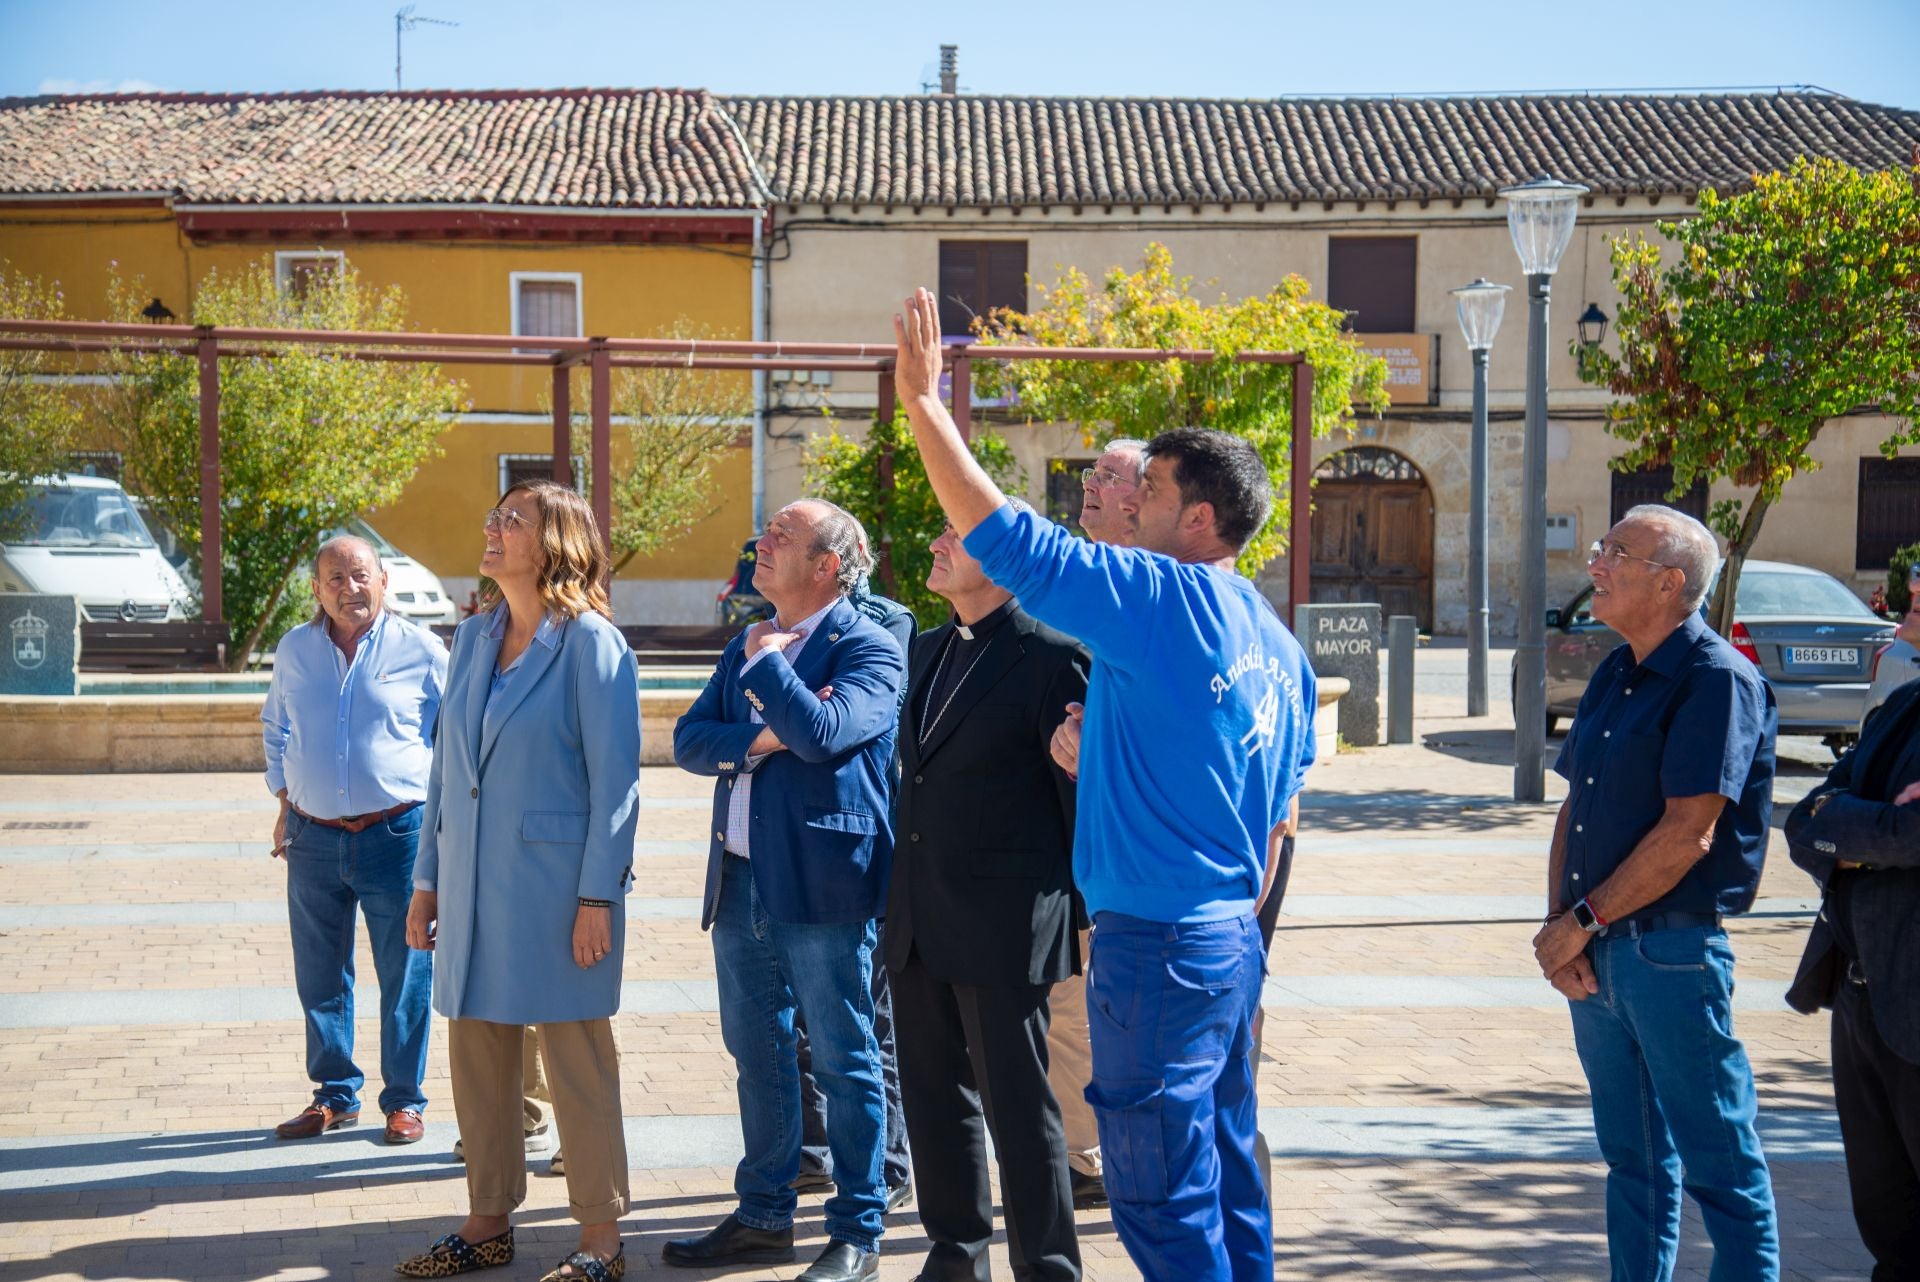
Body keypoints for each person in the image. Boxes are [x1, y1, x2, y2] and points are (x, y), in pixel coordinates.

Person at [893, 288, 1316, 1282]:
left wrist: (924, 403)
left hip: (1160, 946)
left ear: (1197, 516)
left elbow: (1015, 548)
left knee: (1159, 1195)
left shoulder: (1165, 597)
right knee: (1227, 1169)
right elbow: (1269, 803)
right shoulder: (1273, 637)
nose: (1124, 502)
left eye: (1148, 493)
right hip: (1226, 937)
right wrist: (1120, 750)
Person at [1529, 504, 1780, 1282]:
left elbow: (1687, 835)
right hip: (1596, 957)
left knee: (1721, 1170)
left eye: (1616, 553)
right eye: (1601, 547)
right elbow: (1577, 805)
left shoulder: (1716, 680)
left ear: (1670, 584)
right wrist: (1559, 929)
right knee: (1632, 1167)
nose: (1595, 564)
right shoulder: (1616, 668)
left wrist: (1582, 921)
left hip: (1670, 955)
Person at [398, 480, 641, 1282]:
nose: (492, 527)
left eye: (513, 520)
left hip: (559, 893)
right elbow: (443, 776)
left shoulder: (592, 644)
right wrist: (427, 882)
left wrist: (598, 897)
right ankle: (486, 1223)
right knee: (478, 1057)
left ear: (553, 544)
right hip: (468, 889)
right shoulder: (471, 640)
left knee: (576, 1067)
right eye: (493, 514)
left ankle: (601, 1241)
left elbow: (617, 786)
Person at [669, 499, 905, 1282]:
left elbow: (825, 735)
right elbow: (692, 741)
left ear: (827, 565)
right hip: (739, 879)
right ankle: (765, 1214)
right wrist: (763, 738)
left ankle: (857, 1230)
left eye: (781, 537)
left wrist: (768, 666)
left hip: (824, 885)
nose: (761, 544)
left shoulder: (868, 646)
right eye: (765, 531)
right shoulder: (751, 640)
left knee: (844, 1059)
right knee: (757, 1052)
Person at [889, 498, 1089, 1282]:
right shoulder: (929, 648)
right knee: (935, 1105)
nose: (936, 543)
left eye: (955, 535)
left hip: (1006, 926)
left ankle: (1047, 1267)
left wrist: (1072, 918)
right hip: (917, 920)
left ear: (1004, 560)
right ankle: (954, 1258)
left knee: (1020, 1111)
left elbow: (1072, 798)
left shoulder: (1053, 656)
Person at [262, 535, 445, 1146]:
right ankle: (334, 1096)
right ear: (316, 590)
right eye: (335, 578)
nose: (349, 588)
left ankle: (404, 1100)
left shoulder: (421, 649)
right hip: (312, 839)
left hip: (396, 836)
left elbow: (456, 741)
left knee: (406, 973)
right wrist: (286, 801)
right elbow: (275, 727)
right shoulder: (294, 650)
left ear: (383, 580)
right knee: (319, 974)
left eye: (360, 575)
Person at [1784, 592, 1920, 1282]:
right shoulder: (1904, 706)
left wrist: (1856, 830)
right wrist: (1869, 829)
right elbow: (1806, 820)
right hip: (1863, 996)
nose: (1902, 626)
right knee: (1888, 1226)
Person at [1044, 437, 1147, 1209]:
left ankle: (1103, 1163)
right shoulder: (1083, 589)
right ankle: (1081, 1158)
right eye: (1091, 472)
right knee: (1068, 1007)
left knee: (1102, 1013)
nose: (1091, 485)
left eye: (1109, 476)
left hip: (1136, 865)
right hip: (1067, 844)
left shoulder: (1156, 598)